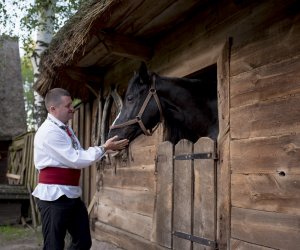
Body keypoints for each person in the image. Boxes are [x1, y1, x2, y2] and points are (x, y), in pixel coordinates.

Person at [32, 88, 128, 250]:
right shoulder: (49, 132)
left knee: (83, 241)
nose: (72, 109)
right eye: (68, 105)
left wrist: (104, 151)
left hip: (70, 194)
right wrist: (103, 148)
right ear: (53, 109)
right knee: (53, 246)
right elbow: (75, 159)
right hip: (53, 197)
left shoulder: (65, 128)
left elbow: (78, 154)